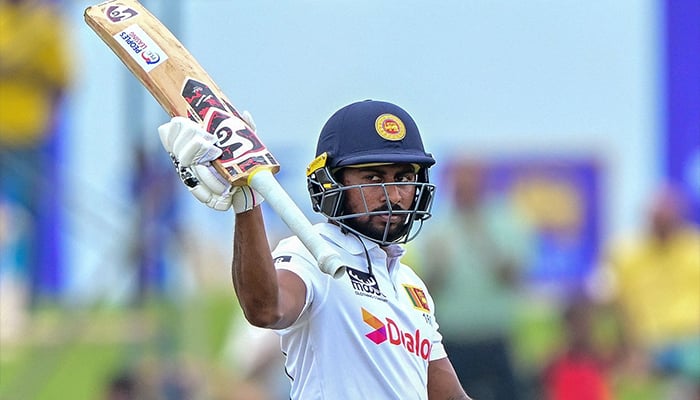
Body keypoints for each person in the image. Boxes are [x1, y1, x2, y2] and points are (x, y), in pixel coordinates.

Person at [157, 100, 471, 399]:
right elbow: (266, 309)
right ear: (331, 182)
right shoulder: (310, 252)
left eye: (403, 178)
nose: (394, 195)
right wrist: (248, 204)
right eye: (373, 177)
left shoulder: (410, 285)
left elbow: (449, 396)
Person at [410, 160, 533, 400]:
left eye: (470, 182)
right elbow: (425, 290)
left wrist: (480, 236)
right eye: (459, 183)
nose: (464, 189)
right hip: (453, 340)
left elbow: (512, 276)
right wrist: (438, 268)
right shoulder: (437, 230)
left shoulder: (506, 223)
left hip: (495, 337)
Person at [600, 184, 700, 399]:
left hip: (691, 343)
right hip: (644, 344)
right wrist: (627, 349)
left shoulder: (695, 249)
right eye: (658, 219)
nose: (664, 225)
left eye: (669, 219)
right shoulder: (626, 253)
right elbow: (612, 304)